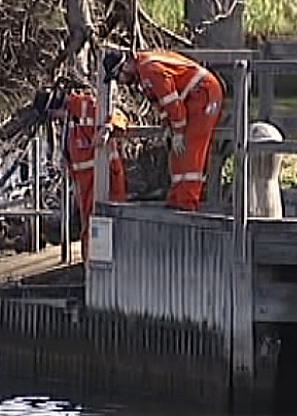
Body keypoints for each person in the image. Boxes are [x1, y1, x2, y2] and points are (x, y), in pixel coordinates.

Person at [102, 49, 224, 212]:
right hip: (192, 97)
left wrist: (179, 131)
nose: (121, 82)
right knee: (177, 154)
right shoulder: (144, 73)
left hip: (204, 93)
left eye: (119, 77)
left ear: (125, 66)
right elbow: (163, 103)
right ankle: (177, 199)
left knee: (190, 150)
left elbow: (171, 101)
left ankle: (187, 203)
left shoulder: (150, 69)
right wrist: (168, 125)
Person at [56, 90, 129, 261]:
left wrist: (107, 129)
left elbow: (118, 116)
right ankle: (90, 270)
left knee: (106, 226)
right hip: (85, 186)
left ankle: (102, 272)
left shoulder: (87, 107)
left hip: (105, 181)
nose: (55, 118)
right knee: (89, 229)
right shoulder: (70, 121)